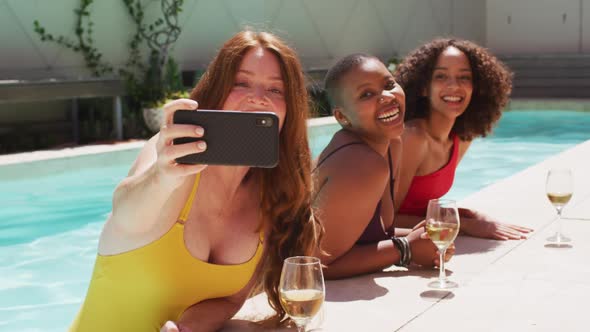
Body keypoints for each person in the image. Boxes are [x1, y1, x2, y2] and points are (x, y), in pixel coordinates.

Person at [70, 30, 321, 332]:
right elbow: (124, 213)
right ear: (216, 89)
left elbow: (229, 300)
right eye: (241, 83)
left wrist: (187, 328)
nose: (258, 97)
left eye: (276, 90)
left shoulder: (274, 196)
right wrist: (160, 175)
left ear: (289, 110)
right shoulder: (172, 160)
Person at [313, 54, 453, 280]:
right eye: (367, 94)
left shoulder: (392, 144)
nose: (386, 97)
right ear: (342, 116)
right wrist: (405, 249)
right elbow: (314, 265)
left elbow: (361, 236)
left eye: (389, 85)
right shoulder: (360, 163)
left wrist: (422, 238)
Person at [393, 38, 533, 240]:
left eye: (464, 78)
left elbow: (420, 208)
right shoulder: (413, 137)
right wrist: (465, 225)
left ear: (476, 88)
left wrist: (470, 215)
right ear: (424, 87)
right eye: (441, 76)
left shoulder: (461, 138)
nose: (454, 86)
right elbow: (383, 220)